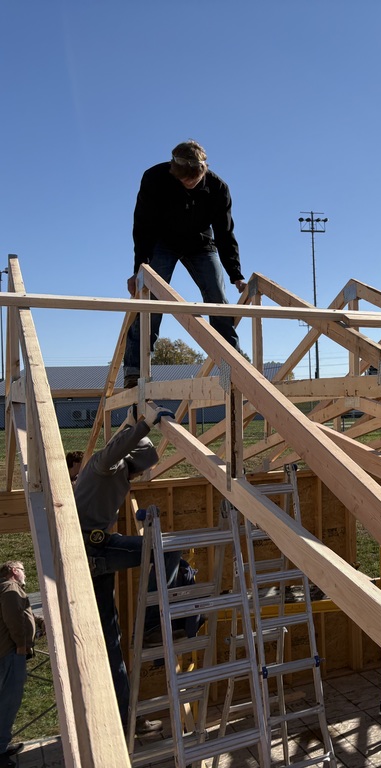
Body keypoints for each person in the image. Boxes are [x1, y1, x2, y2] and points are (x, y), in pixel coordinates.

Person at [73, 408, 178, 737]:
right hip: (95, 550)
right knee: (164, 550)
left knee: (112, 643)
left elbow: (141, 453)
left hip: (91, 554)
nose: (141, 471)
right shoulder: (105, 464)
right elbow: (120, 448)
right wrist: (143, 423)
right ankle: (151, 623)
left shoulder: (118, 473)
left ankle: (125, 721)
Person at [123, 139, 247, 389]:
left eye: (194, 181)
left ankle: (230, 366)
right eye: (184, 182)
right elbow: (142, 226)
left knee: (218, 298)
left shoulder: (218, 188)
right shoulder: (154, 178)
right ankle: (135, 370)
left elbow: (225, 233)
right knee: (151, 300)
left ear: (203, 171)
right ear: (173, 171)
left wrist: (235, 274)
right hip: (161, 241)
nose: (189, 185)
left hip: (200, 243)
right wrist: (140, 268)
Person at [0, 560, 35, 766]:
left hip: (8, 652)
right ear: (14, 571)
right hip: (11, 653)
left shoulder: (6, 588)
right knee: (8, 703)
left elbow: (19, 612)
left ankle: (2, 744)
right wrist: (22, 646)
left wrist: (36, 619)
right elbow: (13, 618)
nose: (25, 574)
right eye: (23, 569)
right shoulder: (10, 588)